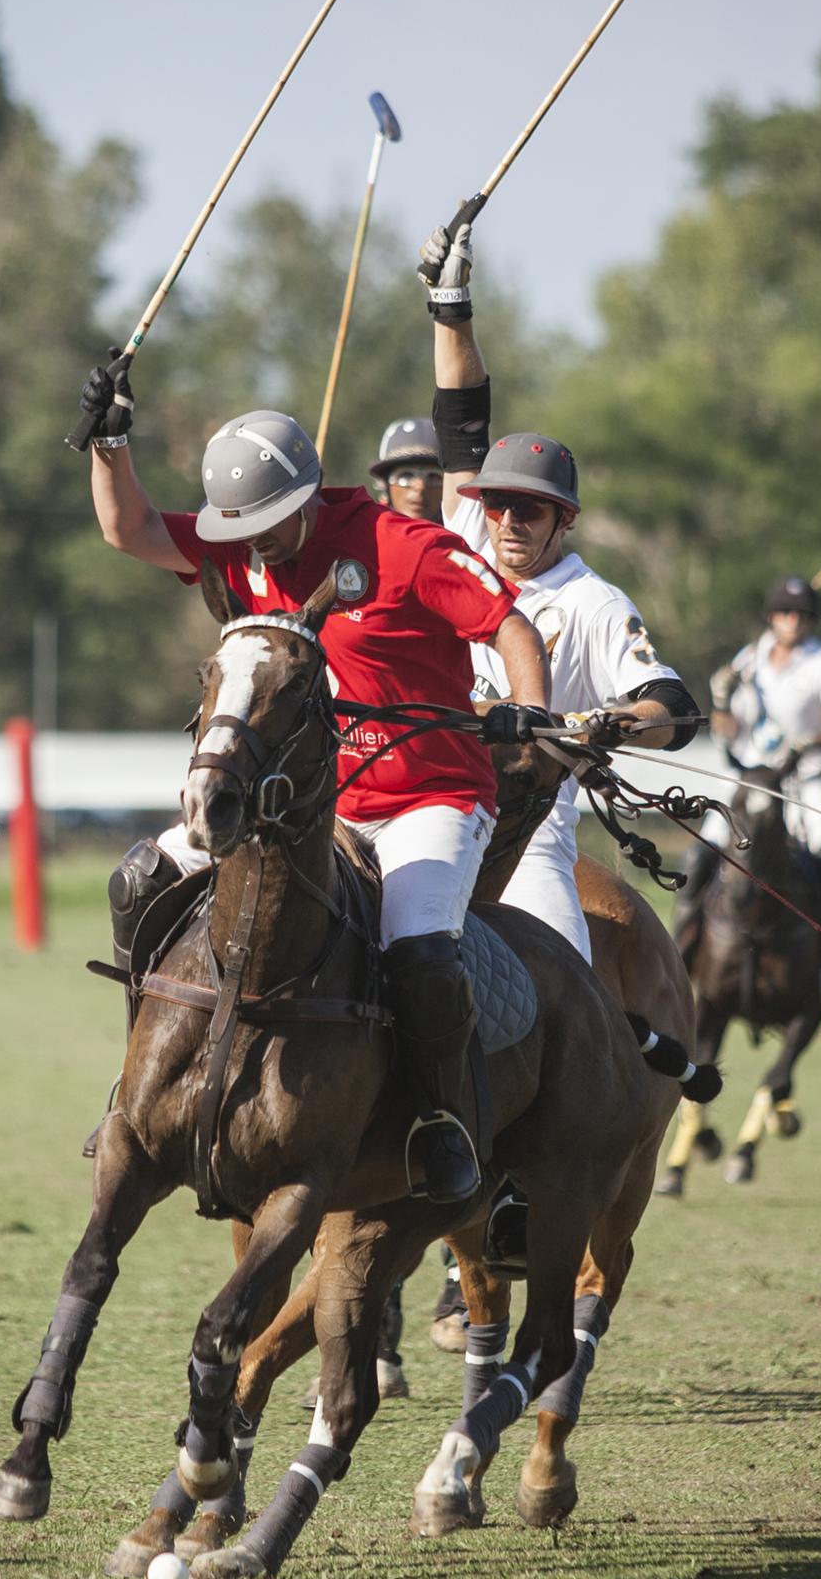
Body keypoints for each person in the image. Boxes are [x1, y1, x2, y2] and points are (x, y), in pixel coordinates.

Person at [76, 354, 551, 1204]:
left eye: (264, 523)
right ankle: (138, 1091)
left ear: (304, 501)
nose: (249, 544)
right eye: (237, 527)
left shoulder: (402, 548)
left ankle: (444, 1125)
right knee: (139, 878)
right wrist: (110, 442)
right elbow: (130, 529)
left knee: (418, 952)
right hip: (305, 801)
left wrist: (527, 705)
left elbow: (510, 623)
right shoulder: (239, 547)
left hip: (427, 796)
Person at [419, 221, 702, 965]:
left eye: (531, 510)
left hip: (529, 823)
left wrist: (614, 721)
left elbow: (674, 704)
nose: (510, 522)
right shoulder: (466, 536)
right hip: (423, 792)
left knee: (563, 973)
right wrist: (452, 307)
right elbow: (461, 416)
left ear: (563, 520)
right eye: (499, 504)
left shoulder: (593, 603)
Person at [672, 574, 821, 1005]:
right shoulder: (748, 661)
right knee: (698, 857)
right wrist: (721, 701)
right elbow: (727, 731)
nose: (792, 620)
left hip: (804, 783)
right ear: (771, 616)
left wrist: (812, 740)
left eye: (801, 614)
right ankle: (679, 954)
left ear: (811, 620)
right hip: (746, 782)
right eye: (785, 612)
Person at [370, 418, 444, 521]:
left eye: (433, 477)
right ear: (385, 485)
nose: (420, 487)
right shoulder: (365, 533)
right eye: (406, 475)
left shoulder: (469, 534)